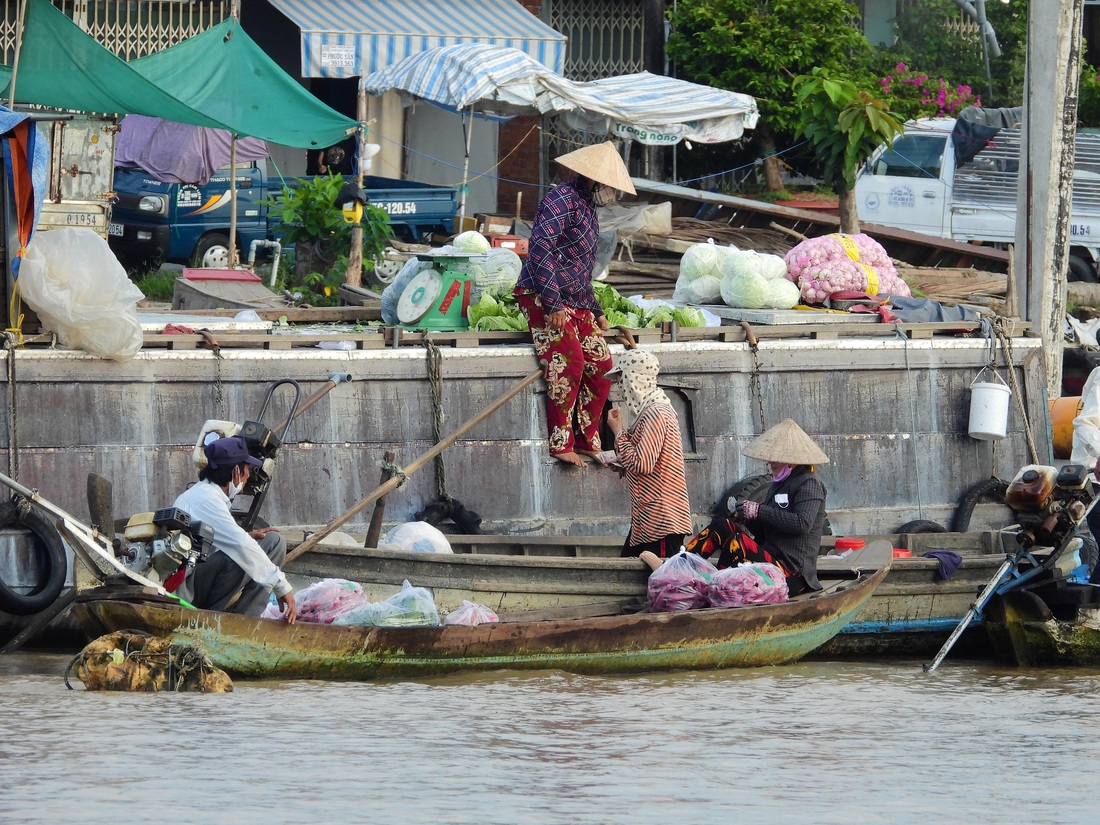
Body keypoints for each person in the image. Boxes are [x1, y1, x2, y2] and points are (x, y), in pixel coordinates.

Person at [514, 141, 637, 467]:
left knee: (601, 366)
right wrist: (552, 303)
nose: (611, 193)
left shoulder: (587, 209)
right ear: (595, 180)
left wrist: (596, 311)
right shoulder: (560, 200)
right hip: (541, 295)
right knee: (568, 362)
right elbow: (539, 249)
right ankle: (560, 443)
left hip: (576, 301)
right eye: (609, 186)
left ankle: (587, 440)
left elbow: (580, 269)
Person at [687, 419, 829, 596]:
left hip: (790, 574)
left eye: (776, 457)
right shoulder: (778, 484)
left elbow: (802, 524)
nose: (770, 462)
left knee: (732, 539)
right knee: (723, 526)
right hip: (769, 562)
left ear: (791, 459)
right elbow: (764, 532)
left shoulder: (809, 483)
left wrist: (760, 510)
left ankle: (714, 590)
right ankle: (682, 569)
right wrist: (746, 517)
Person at [173, 435, 298, 623]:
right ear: (236, 472)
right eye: (247, 470)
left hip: (194, 576)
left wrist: (246, 535)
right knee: (260, 547)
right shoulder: (206, 499)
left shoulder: (201, 493)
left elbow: (212, 539)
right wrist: (282, 587)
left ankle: (244, 615)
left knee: (270, 540)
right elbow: (240, 544)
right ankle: (245, 621)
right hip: (186, 591)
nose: (248, 477)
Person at [605, 350, 695, 560]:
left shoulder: (656, 412)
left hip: (662, 518)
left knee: (667, 584)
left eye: (621, 379)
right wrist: (622, 463)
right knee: (628, 573)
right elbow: (647, 460)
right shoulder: (649, 411)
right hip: (648, 519)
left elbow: (643, 464)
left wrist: (618, 432)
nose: (620, 387)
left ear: (633, 379)